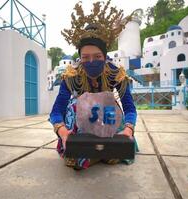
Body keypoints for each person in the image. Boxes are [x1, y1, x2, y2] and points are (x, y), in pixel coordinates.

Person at [49, 0, 137, 170]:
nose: (91, 61)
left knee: (112, 109)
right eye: (85, 57)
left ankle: (100, 150)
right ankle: (88, 150)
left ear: (105, 55)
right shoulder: (72, 74)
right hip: (81, 123)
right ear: (79, 57)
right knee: (75, 105)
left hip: (107, 119)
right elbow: (57, 110)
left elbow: (129, 108)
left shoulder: (115, 72)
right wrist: (63, 133)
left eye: (97, 57)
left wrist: (128, 130)